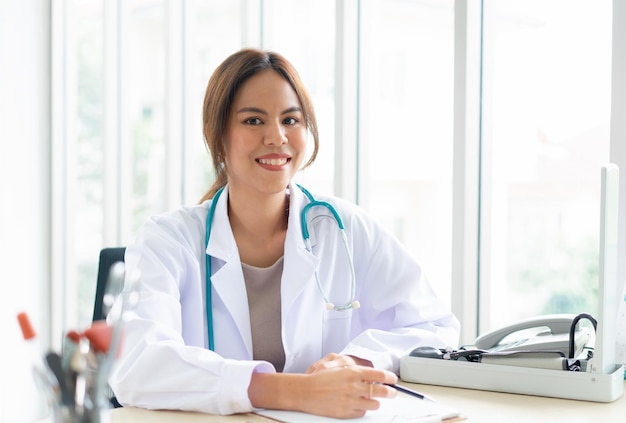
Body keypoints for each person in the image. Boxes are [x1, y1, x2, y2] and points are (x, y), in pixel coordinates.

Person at [108, 47, 460, 419]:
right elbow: (135, 365)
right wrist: (291, 391)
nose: (276, 137)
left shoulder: (345, 228)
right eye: (253, 121)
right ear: (217, 133)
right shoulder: (167, 240)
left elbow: (434, 326)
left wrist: (354, 361)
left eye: (291, 120)